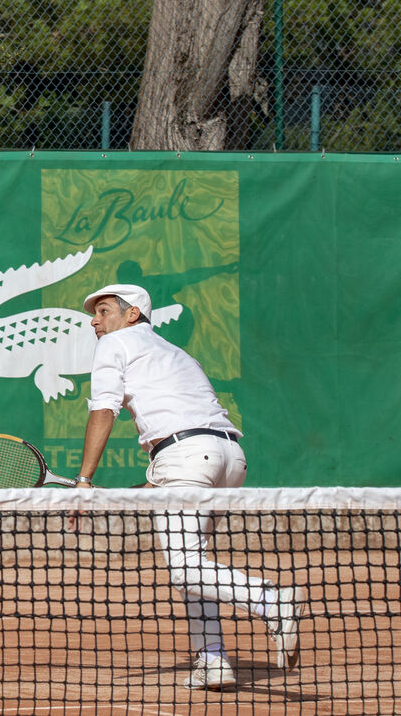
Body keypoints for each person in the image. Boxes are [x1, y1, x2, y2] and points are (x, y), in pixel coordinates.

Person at [75, 283, 300, 692]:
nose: (95, 321)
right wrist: (142, 488)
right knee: (194, 566)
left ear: (132, 315)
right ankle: (212, 661)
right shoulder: (177, 354)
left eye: (104, 311)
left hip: (186, 458)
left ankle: (271, 601)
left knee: (184, 568)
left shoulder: (114, 344)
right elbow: (185, 430)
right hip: (228, 459)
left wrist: (84, 481)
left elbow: (103, 409)